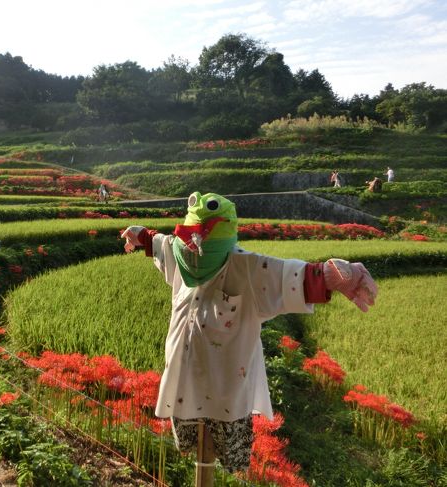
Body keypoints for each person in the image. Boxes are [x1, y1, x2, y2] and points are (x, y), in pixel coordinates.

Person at [121, 192, 377, 475]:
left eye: (198, 249)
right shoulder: (182, 255)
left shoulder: (249, 269)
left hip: (226, 394)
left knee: (225, 457)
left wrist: (329, 276)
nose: (193, 256)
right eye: (188, 249)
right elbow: (163, 244)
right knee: (191, 451)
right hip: (183, 383)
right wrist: (141, 236)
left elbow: (288, 277)